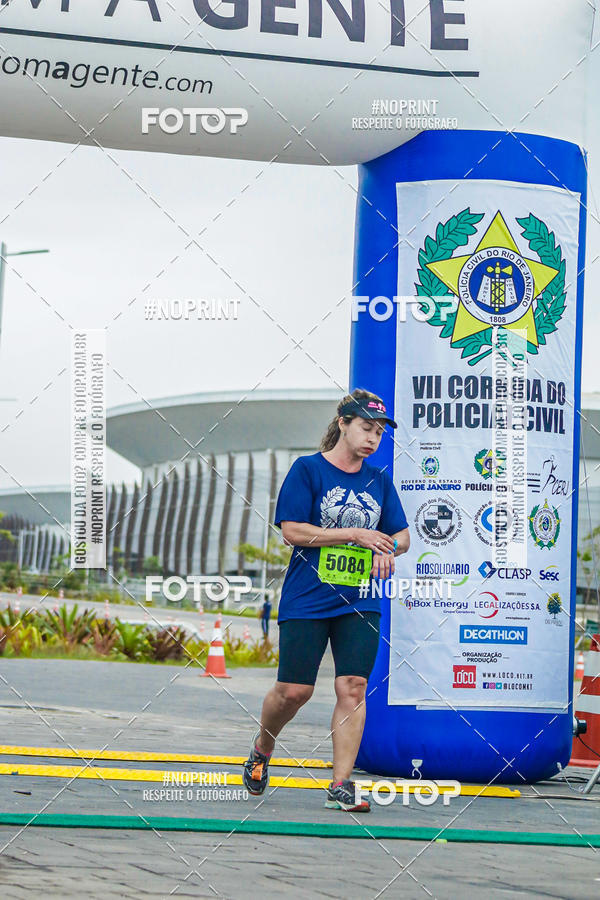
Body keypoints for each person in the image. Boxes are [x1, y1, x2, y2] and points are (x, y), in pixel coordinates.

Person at [243, 388, 410, 812]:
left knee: (352, 686)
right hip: (308, 596)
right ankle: (263, 746)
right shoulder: (308, 470)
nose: (373, 439)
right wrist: (354, 534)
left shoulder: (379, 481)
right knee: (294, 691)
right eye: (366, 428)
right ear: (343, 425)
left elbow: (403, 535)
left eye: (379, 433)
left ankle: (341, 784)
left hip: (361, 599)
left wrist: (384, 547)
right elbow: (293, 531)